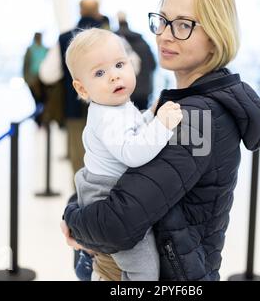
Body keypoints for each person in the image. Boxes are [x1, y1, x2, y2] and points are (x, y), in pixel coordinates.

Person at [61, 0, 260, 281]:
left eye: (183, 25)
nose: (165, 35)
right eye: (162, 21)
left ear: (215, 35)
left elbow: (120, 222)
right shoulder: (181, 103)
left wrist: (73, 219)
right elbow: (128, 180)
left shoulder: (200, 118)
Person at [65, 28, 183, 281]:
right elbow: (132, 153)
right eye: (99, 73)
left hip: (108, 190)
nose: (114, 76)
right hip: (104, 196)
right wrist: (162, 125)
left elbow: (133, 129)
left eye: (119, 64)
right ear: (82, 88)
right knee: (144, 268)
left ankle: (91, 262)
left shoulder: (116, 106)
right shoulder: (106, 116)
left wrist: (151, 116)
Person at [39, 0, 110, 174]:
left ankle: (82, 199)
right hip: (109, 108)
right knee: (109, 158)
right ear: (97, 11)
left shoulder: (64, 38)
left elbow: (47, 74)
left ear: (79, 11)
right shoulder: (111, 38)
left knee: (79, 159)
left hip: (75, 105)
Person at [116, 12, 157, 110]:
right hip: (143, 91)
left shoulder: (113, 42)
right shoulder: (142, 42)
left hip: (121, 92)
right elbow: (153, 65)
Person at [23, 32, 48, 126]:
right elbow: (26, 66)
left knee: (43, 100)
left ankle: (42, 119)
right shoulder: (30, 50)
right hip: (33, 79)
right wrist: (27, 79)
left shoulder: (45, 49)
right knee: (37, 100)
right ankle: (38, 120)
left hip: (43, 79)